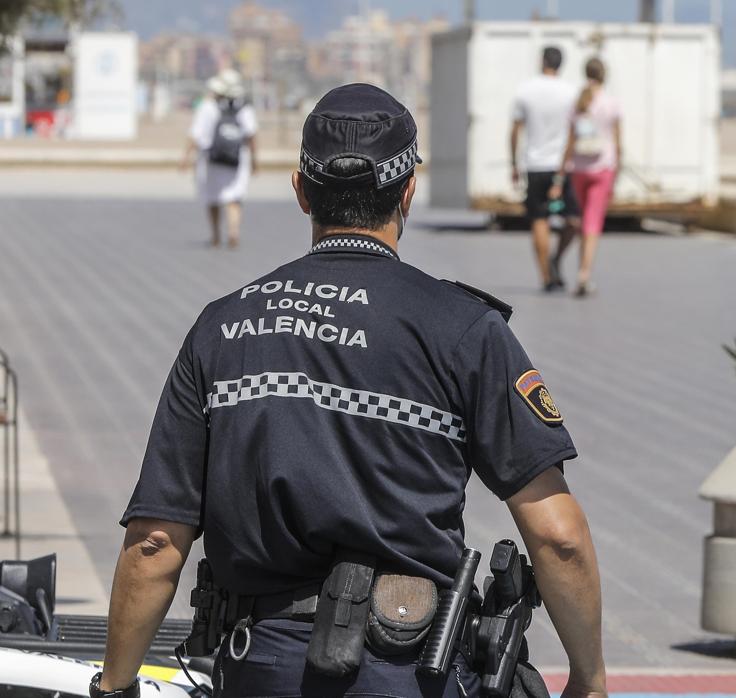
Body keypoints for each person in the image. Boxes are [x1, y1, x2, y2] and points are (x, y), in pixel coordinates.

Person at [97, 84, 607, 698]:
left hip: (260, 667)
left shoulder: (222, 327)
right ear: (408, 191)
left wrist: (116, 686)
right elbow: (559, 536)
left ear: (301, 191)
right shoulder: (465, 328)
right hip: (413, 669)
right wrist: (589, 678)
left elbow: (155, 542)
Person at [510, 46, 580, 292]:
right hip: (562, 165)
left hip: (535, 164)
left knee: (539, 219)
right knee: (573, 220)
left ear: (542, 61)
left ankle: (546, 275)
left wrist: (514, 164)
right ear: (561, 63)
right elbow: (574, 133)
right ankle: (554, 262)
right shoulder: (571, 92)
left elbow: (515, 130)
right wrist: (566, 165)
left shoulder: (525, 90)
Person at [552, 58, 621, 298]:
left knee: (582, 221)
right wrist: (617, 171)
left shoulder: (579, 102)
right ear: (605, 75)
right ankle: (584, 274)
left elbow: (569, 143)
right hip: (602, 168)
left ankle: (579, 269)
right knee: (592, 223)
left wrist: (561, 175)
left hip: (578, 169)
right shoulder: (611, 103)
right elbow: (618, 141)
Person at [182, 69, 258, 249]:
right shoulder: (244, 108)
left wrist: (185, 157)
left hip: (211, 160)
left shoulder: (208, 107)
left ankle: (216, 235)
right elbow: (251, 135)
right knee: (234, 198)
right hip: (237, 159)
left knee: (213, 197)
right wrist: (255, 160)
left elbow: (196, 135)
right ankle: (233, 232)